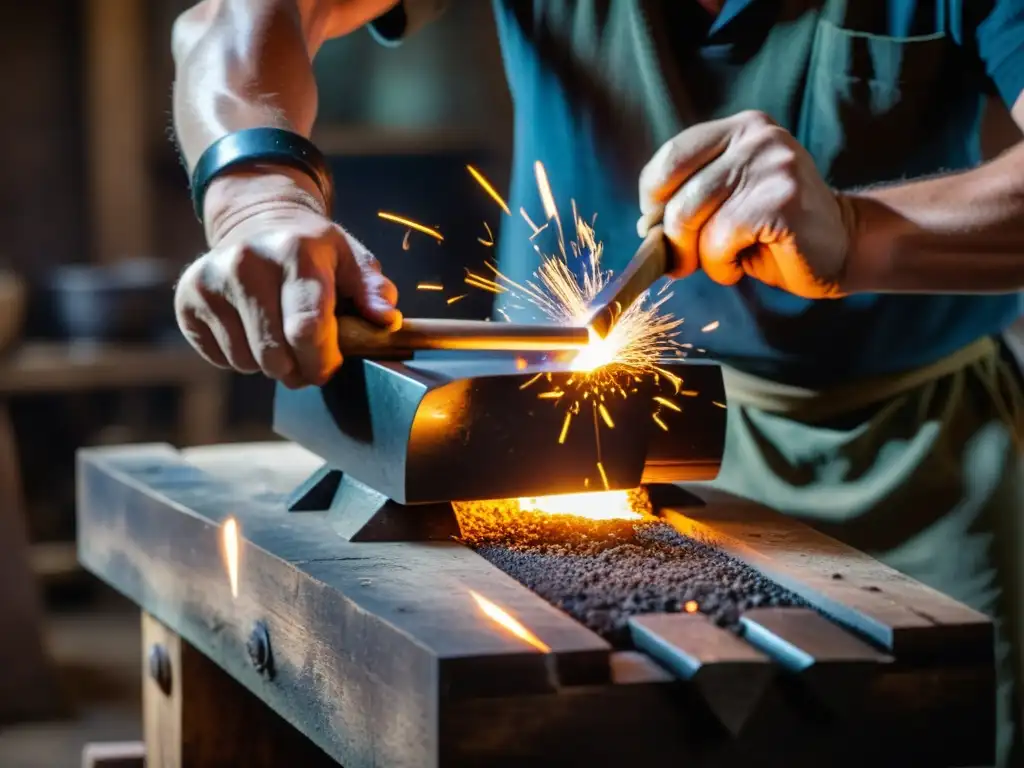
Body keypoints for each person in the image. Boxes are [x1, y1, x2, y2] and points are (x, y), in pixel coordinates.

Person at [171, 1, 1024, 762]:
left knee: (928, 717)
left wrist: (857, 230)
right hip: (549, 455)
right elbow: (240, 19)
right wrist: (258, 205)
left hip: (916, 455)